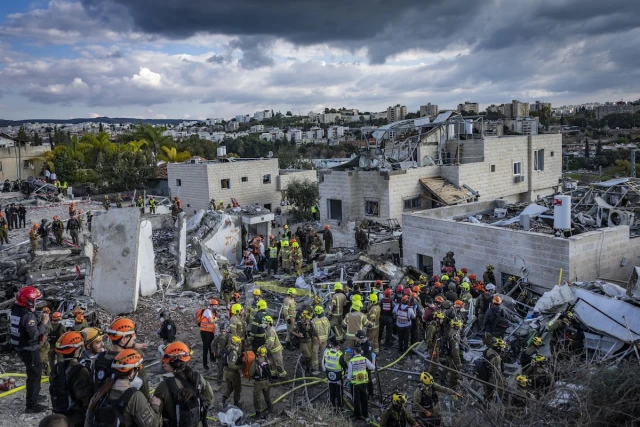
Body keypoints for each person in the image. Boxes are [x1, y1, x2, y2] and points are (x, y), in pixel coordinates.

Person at [85, 349, 162, 427]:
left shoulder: (100, 393)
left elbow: (88, 422)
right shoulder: (135, 397)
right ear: (131, 374)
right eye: (137, 370)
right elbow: (153, 425)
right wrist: (155, 406)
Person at [154, 341, 214, 427]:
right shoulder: (198, 378)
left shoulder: (164, 386)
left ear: (174, 361)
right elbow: (210, 399)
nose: (163, 362)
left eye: (165, 357)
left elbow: (153, 419)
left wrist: (154, 405)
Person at [10, 286, 49, 413]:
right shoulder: (27, 316)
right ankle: (31, 405)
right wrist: (44, 322)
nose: (36, 303)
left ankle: (34, 394)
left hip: (20, 346)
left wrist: (35, 314)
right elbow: (34, 334)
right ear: (29, 301)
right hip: (29, 349)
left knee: (34, 372)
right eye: (35, 300)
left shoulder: (16, 309)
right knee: (34, 374)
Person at [93, 318, 150, 399]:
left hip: (100, 404)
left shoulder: (99, 358)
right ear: (123, 340)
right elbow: (145, 394)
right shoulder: (132, 364)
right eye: (133, 337)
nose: (135, 338)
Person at [49, 331, 92, 426]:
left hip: (59, 413)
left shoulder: (56, 368)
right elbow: (85, 399)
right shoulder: (81, 370)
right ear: (77, 351)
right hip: (77, 418)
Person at [347, 345, 375, 422]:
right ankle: (365, 414)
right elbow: (372, 367)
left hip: (355, 384)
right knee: (364, 398)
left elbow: (349, 375)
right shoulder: (364, 359)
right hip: (364, 383)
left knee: (356, 400)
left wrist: (348, 381)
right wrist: (373, 359)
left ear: (354, 351)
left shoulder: (351, 361)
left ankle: (357, 416)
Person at [322, 336, 347, 409]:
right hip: (338, 377)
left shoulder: (327, 353)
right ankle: (340, 406)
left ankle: (332, 405)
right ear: (338, 346)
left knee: (331, 392)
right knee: (339, 392)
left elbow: (324, 363)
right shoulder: (339, 355)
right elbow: (344, 365)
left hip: (329, 377)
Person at [249, 346, 273, 419]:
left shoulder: (255, 362)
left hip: (258, 383)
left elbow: (250, 373)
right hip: (267, 381)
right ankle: (270, 408)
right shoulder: (267, 360)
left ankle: (258, 414)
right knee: (267, 396)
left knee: (256, 398)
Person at [222, 335, 243, 407]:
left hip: (225, 372)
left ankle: (223, 400)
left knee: (230, 387)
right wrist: (240, 367)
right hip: (232, 373)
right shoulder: (234, 353)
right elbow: (231, 365)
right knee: (237, 388)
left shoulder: (228, 348)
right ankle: (236, 403)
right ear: (237, 344)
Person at [483, 337, 506, 401]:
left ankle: (485, 402)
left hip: (486, 377)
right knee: (500, 391)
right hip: (492, 379)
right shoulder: (496, 358)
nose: (502, 350)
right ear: (498, 348)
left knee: (487, 394)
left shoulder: (489, 351)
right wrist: (502, 381)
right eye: (502, 348)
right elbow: (498, 372)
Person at [293, 310, 314, 375]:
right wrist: (298, 335)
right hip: (303, 342)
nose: (308, 320)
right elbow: (292, 331)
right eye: (306, 318)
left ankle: (308, 368)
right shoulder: (298, 324)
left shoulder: (310, 323)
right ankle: (302, 361)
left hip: (309, 341)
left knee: (311, 356)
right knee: (308, 356)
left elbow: (314, 332)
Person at [425, 311, 445, 376]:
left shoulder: (437, 325)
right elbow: (429, 339)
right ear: (437, 319)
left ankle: (433, 371)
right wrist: (431, 349)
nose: (442, 320)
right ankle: (430, 374)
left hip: (436, 346)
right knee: (434, 361)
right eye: (441, 319)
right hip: (433, 347)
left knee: (436, 360)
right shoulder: (432, 327)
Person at [311, 305, 330, 374]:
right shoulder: (326, 319)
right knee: (323, 352)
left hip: (316, 339)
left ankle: (316, 367)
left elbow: (312, 331)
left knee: (315, 353)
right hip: (325, 338)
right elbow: (329, 328)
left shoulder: (313, 321)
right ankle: (322, 366)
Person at [199, 300, 217, 370]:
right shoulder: (208, 311)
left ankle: (212, 358)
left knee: (211, 346)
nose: (216, 307)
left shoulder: (212, 312)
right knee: (206, 347)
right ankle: (205, 364)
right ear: (211, 306)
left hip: (210, 332)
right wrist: (216, 319)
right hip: (205, 332)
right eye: (214, 306)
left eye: (216, 306)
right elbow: (211, 321)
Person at [444, 319, 463, 387]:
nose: (461, 327)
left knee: (446, 367)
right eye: (460, 326)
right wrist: (459, 363)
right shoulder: (455, 337)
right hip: (452, 357)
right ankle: (452, 386)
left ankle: (442, 378)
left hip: (448, 353)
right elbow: (456, 354)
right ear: (456, 327)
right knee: (454, 372)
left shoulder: (451, 331)